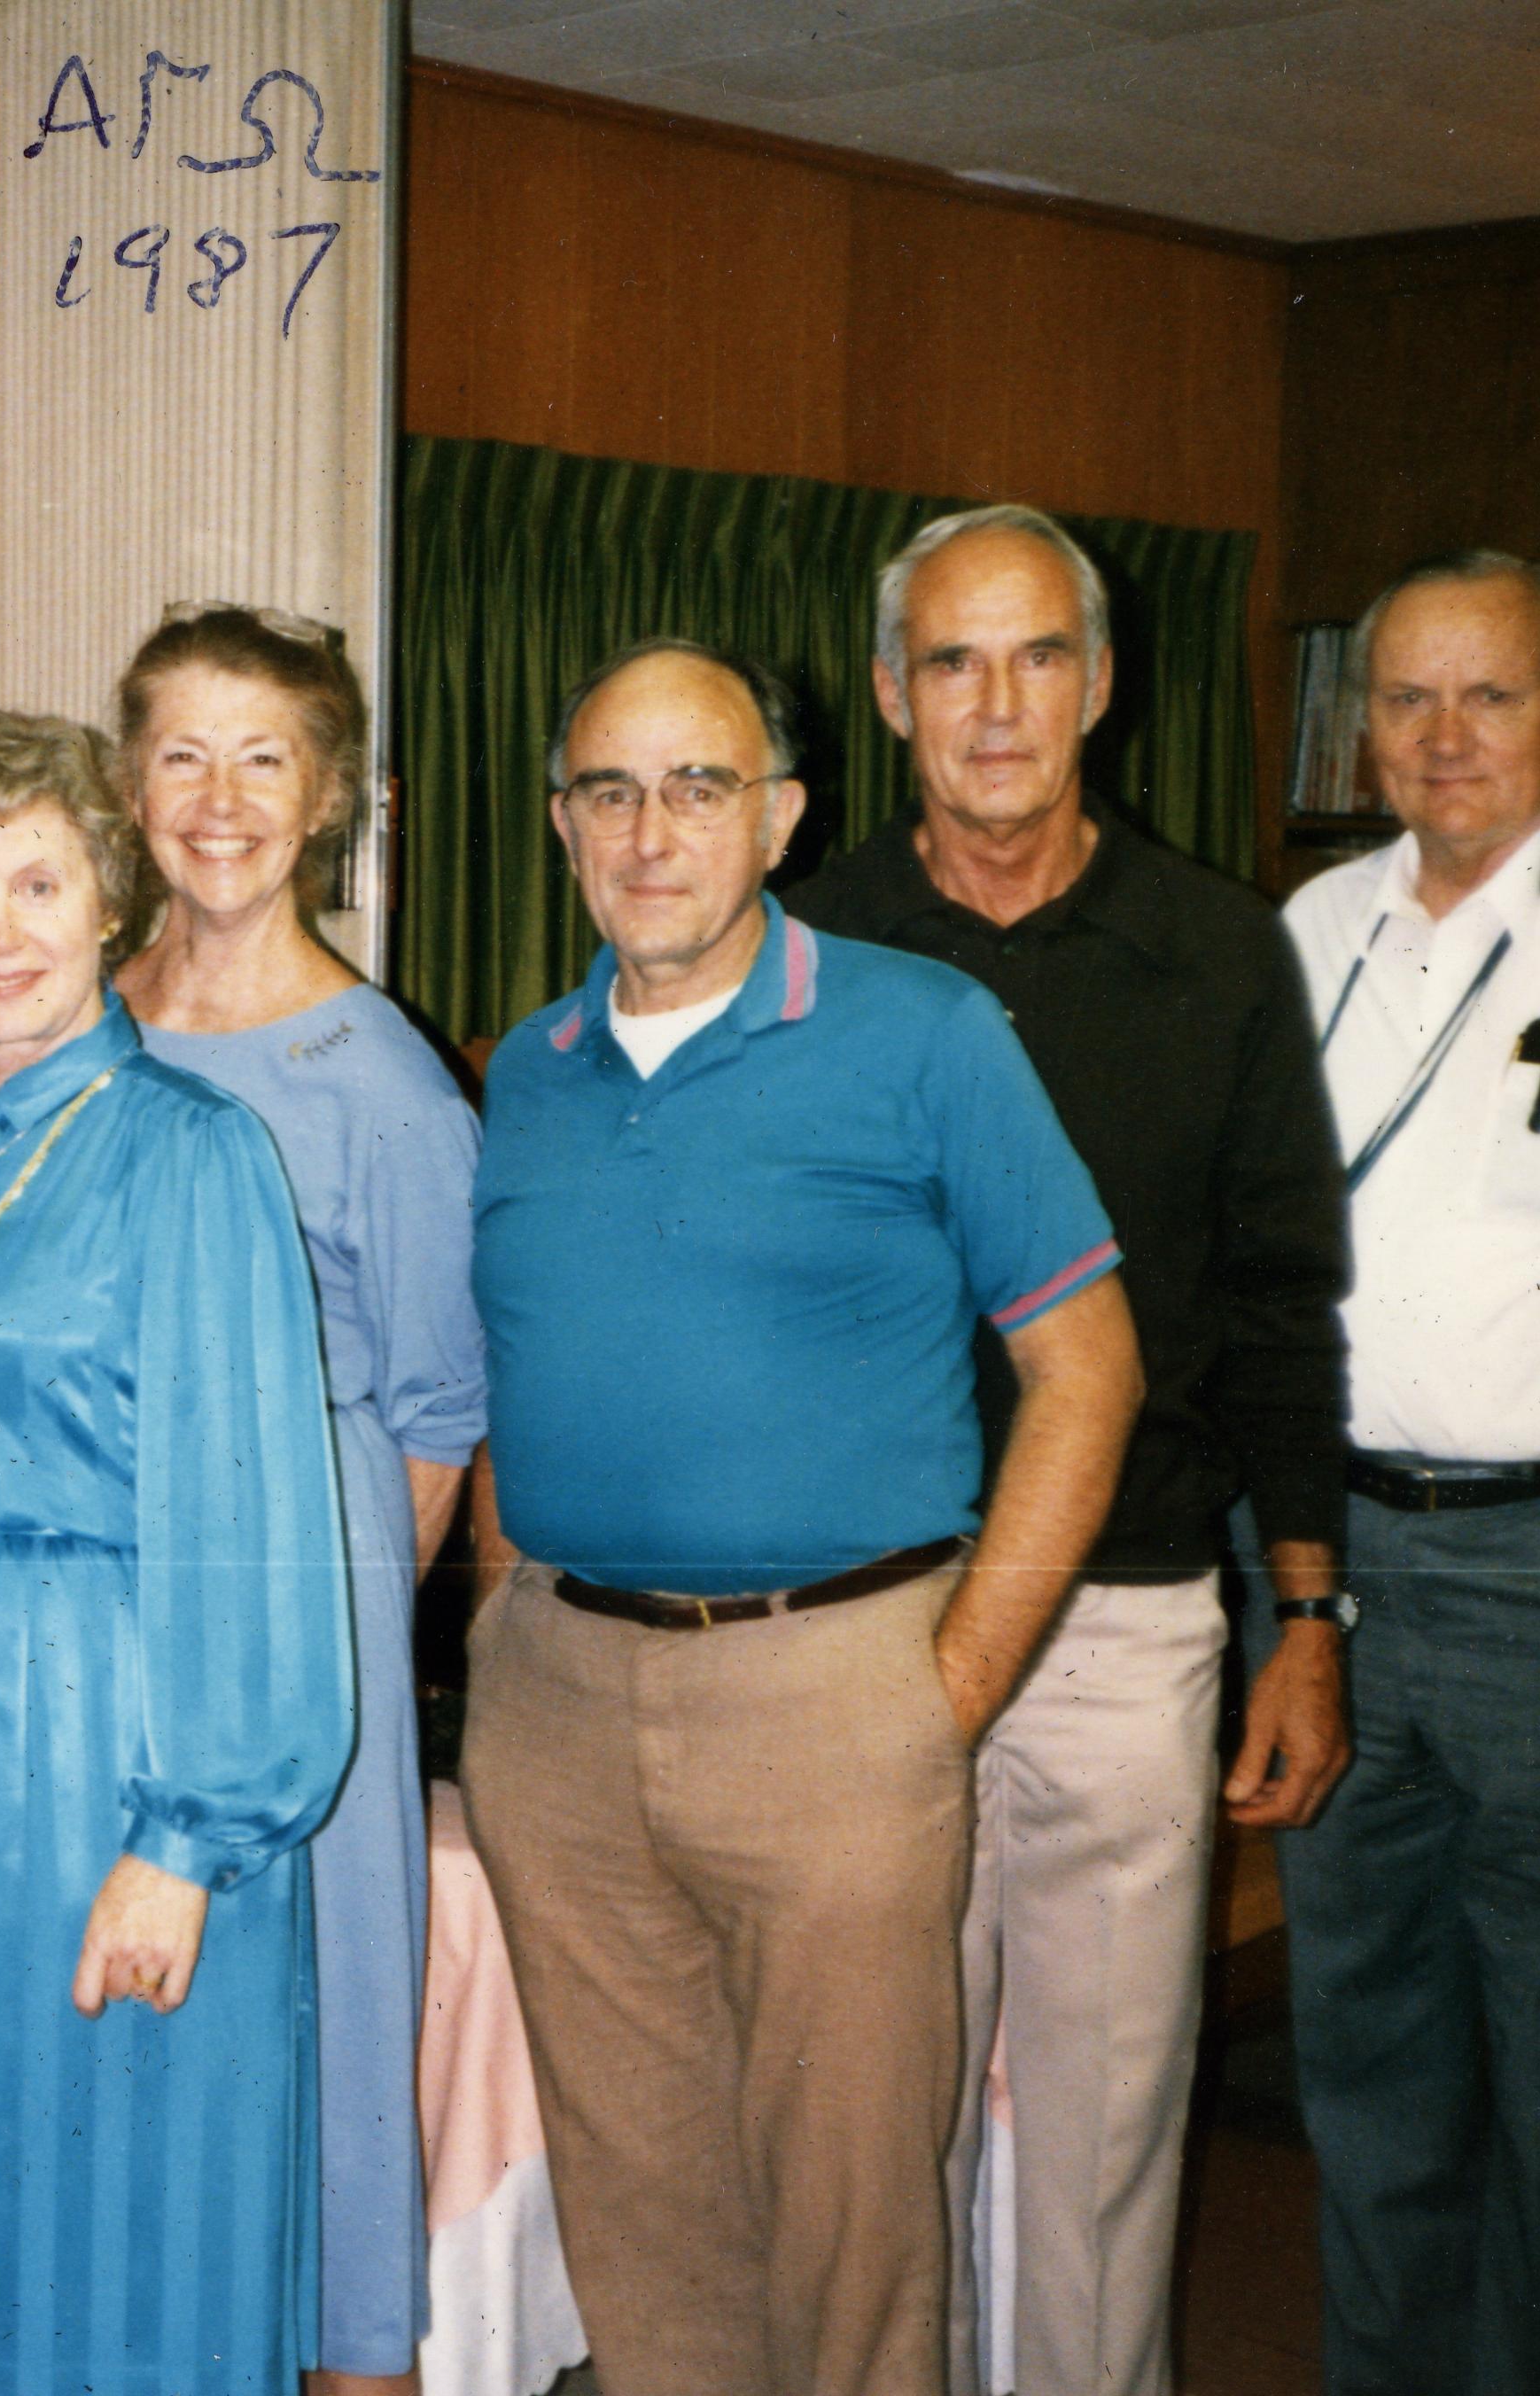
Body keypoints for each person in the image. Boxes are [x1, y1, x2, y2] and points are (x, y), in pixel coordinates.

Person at [464, 636, 1142, 2396]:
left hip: (835, 1694)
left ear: (781, 816)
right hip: (560, 1706)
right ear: (562, 822)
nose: (651, 832)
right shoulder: (528, 1066)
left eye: (699, 787)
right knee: (640, 2220)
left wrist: (947, 1687)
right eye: (611, 790)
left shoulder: (925, 1031)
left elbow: (1088, 1372)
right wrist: (502, 1618)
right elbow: (511, 1370)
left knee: (854, 2237)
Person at [797, 504, 1352, 2396]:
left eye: (1039, 655)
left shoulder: (1219, 951)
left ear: (1102, 683)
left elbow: (1282, 1304)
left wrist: (1309, 1615)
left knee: (1106, 2149)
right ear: (892, 696)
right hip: (868, 1625)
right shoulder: (808, 948)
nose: (998, 703)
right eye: (952, 660)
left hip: (1129, 1622)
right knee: (891, 2137)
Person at [0, 709, 356, 2396]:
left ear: (109, 896)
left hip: (89, 1742)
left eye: (37, 884)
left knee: (91, 2198)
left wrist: (188, 1836)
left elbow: (249, 1520)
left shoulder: (194, 1151)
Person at [1267, 553, 1540, 2396]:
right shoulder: (1311, 925)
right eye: (1407, 698)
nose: (1444, 738)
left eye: (1491, 695)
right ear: (1362, 725)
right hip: (1330, 1558)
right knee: (1362, 2046)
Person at [112, 605, 487, 2396]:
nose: (221, 797)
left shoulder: (385, 1081)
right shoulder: (75, 1018)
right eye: (183, 753)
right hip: (94, 1631)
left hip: (297, 1653)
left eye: (266, 758)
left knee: (322, 2098)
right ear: (129, 784)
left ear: (331, 797)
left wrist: (305, 1672)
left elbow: (437, 1422)